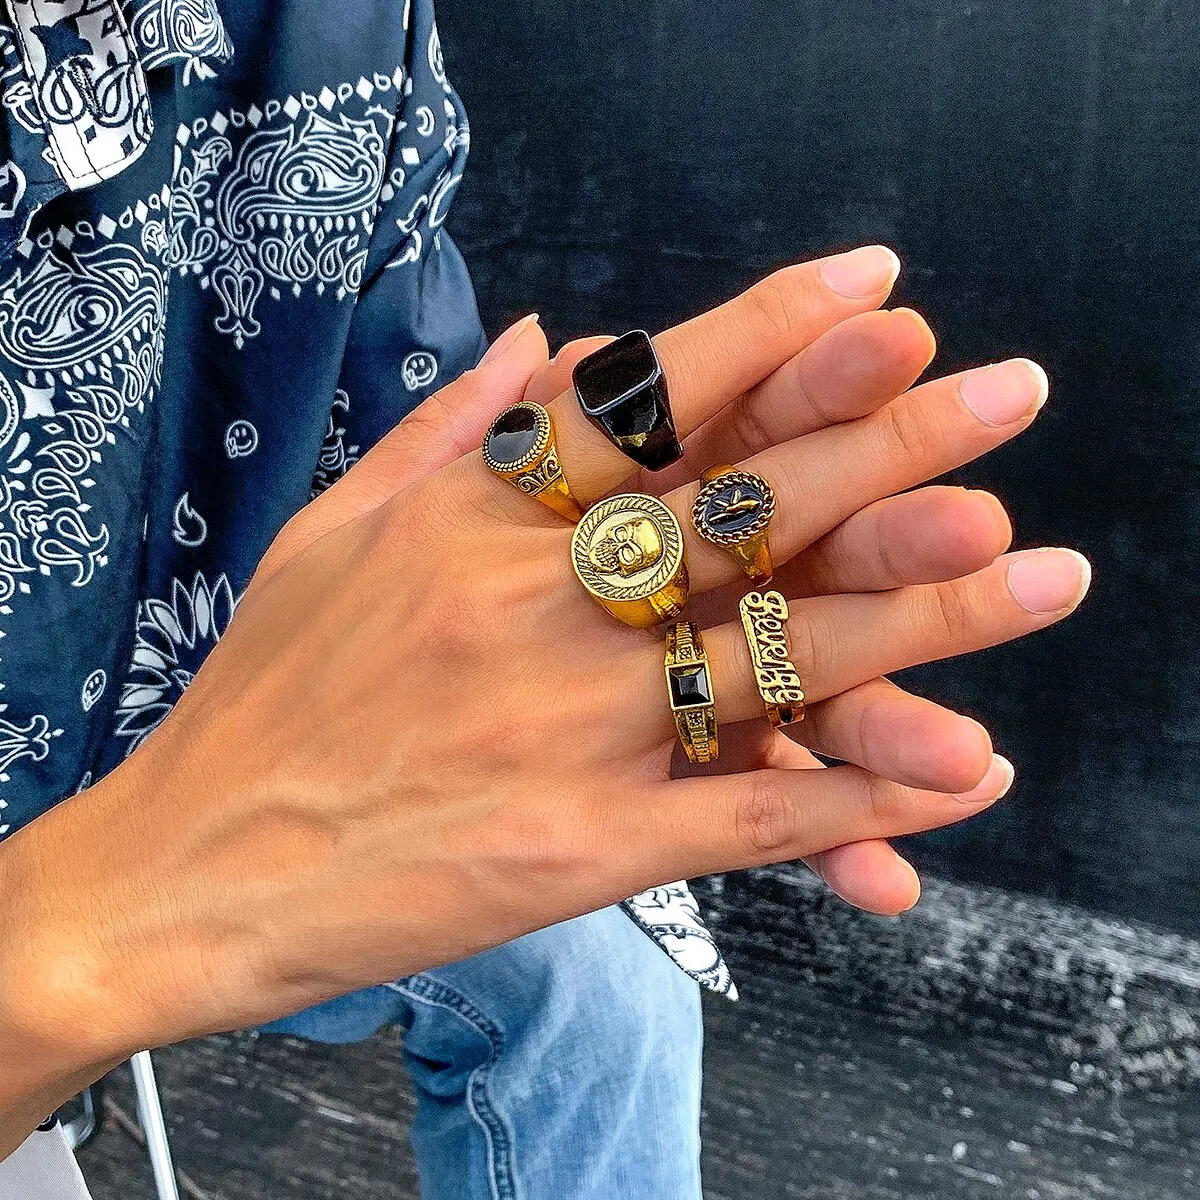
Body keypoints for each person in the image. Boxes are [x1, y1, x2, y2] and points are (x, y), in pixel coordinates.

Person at [0, 0, 1090, 1196]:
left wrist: (548, 531)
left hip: (217, 692)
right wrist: (103, 934)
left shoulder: (339, 26)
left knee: (607, 976)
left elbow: (414, 424)